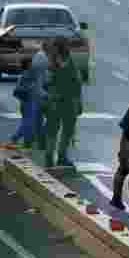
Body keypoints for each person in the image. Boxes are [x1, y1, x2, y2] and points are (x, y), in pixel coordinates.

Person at [2, 40, 51, 150]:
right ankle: (14, 140)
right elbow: (37, 86)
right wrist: (45, 95)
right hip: (31, 99)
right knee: (29, 122)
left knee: (34, 121)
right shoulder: (39, 63)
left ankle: (33, 144)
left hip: (29, 98)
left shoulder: (35, 65)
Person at [43, 38, 83, 167]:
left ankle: (50, 157)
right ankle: (60, 156)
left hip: (55, 102)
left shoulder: (50, 64)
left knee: (52, 130)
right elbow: (76, 85)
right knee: (66, 130)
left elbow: (45, 84)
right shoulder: (69, 64)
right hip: (67, 102)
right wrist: (78, 103)